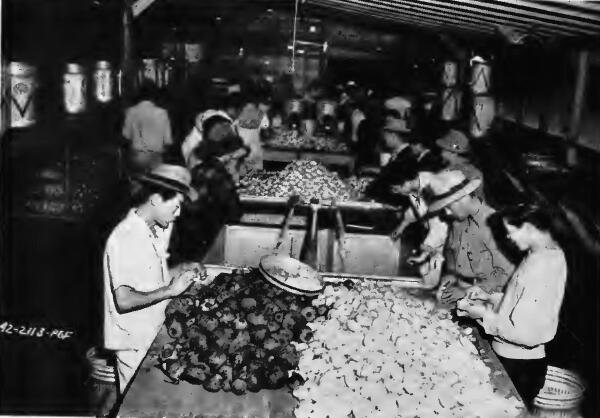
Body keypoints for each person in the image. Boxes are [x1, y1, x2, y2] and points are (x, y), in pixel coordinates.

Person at [100, 164, 205, 415]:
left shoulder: (152, 228)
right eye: (175, 206)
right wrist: (170, 291)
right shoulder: (126, 237)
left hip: (153, 330)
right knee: (139, 407)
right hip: (134, 339)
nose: (178, 213)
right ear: (156, 198)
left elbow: (150, 277)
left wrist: (181, 268)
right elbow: (124, 299)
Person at [457, 202, 567, 410]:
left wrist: (481, 314)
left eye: (510, 232)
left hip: (518, 366)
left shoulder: (542, 266)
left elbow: (524, 333)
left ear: (528, 228)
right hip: (514, 360)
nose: (509, 239)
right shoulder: (543, 254)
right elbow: (522, 303)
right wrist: (490, 298)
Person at [427, 171, 515, 304]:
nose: (447, 212)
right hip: (460, 293)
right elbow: (451, 255)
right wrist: (449, 278)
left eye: (448, 206)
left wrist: (465, 293)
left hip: (487, 300)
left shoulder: (493, 222)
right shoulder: (456, 221)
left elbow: (505, 274)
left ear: (464, 197)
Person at [171, 134, 248, 264]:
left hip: (184, 236)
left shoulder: (200, 169)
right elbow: (235, 215)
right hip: (201, 241)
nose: (241, 166)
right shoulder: (219, 175)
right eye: (238, 160)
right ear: (228, 157)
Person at [363, 104, 419, 207]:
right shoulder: (400, 155)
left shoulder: (405, 157)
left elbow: (391, 183)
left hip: (393, 205)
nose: (384, 138)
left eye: (385, 135)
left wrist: (368, 191)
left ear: (392, 135)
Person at [122, 80, 173, 172]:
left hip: (137, 156)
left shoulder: (131, 111)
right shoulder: (162, 113)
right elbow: (168, 141)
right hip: (156, 157)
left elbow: (126, 136)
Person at [232, 97, 270, 172]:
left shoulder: (261, 116)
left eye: (252, 110)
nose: (250, 112)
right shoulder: (237, 119)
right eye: (247, 109)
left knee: (255, 176)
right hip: (241, 153)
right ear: (242, 109)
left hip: (255, 153)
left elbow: (266, 127)